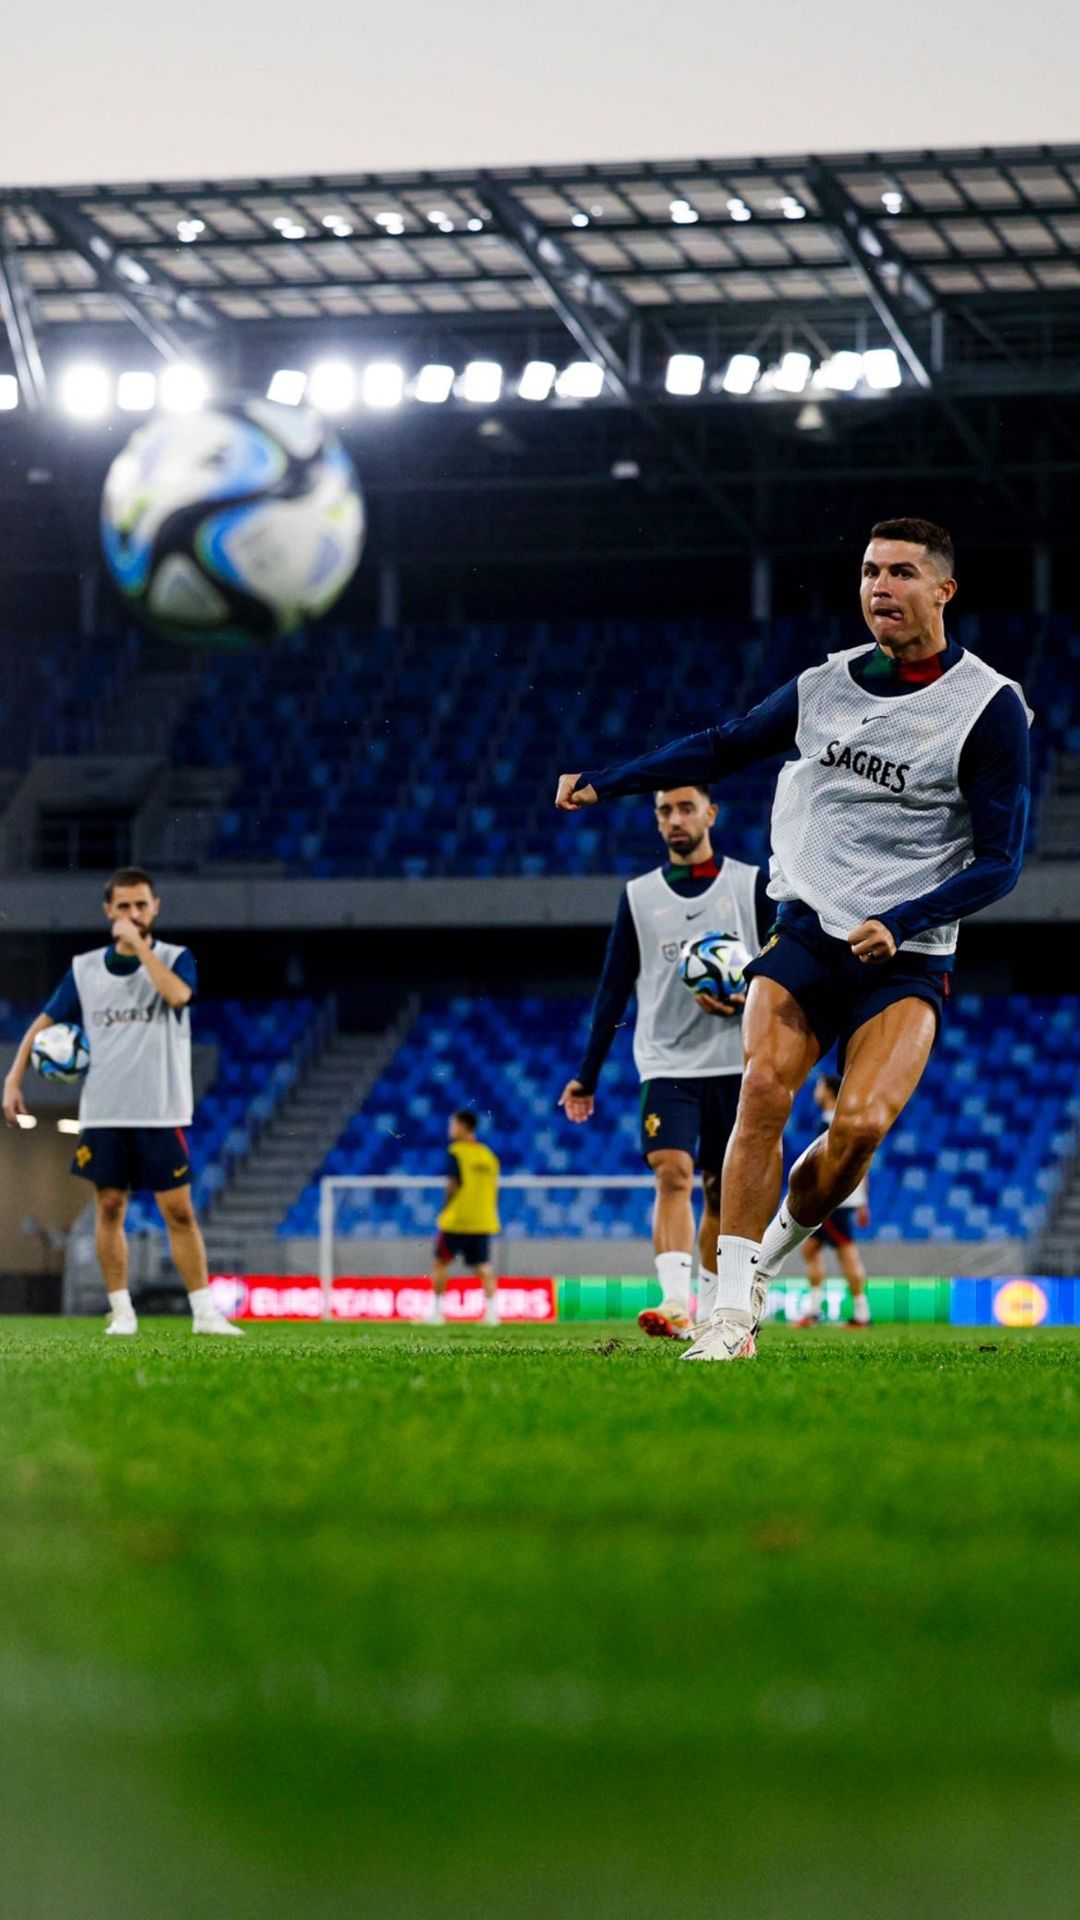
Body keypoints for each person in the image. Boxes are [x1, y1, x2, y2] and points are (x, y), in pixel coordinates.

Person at [556, 518, 1031, 1361]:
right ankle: (728, 1313)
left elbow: (1000, 864)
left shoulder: (989, 710)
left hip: (909, 955)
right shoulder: (826, 686)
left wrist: (907, 920)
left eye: (901, 573)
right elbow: (723, 745)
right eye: (869, 571)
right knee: (766, 1088)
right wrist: (607, 781)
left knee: (859, 1129)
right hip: (808, 928)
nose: (880, 587)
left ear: (944, 591)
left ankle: (764, 1265)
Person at [559, 785, 771, 1340]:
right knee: (672, 1172)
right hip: (666, 1062)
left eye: (685, 808)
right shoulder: (639, 896)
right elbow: (612, 989)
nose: (675, 819)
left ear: (710, 813)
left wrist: (747, 996)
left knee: (723, 1189)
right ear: (656, 823)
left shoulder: (751, 885)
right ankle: (675, 1302)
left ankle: (708, 1307)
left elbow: (783, 965)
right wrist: (588, 1073)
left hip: (737, 1061)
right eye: (664, 812)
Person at [2, 867, 242, 1337]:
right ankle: (122, 1311)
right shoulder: (85, 969)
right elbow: (42, 1023)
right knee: (109, 1206)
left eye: (141, 905)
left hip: (160, 1109)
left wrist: (141, 950)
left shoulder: (176, 958)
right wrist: (14, 1078)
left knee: (179, 1210)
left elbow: (177, 995)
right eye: (124, 906)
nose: (133, 913)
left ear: (156, 908)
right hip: (104, 1110)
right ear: (109, 911)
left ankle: (205, 1313)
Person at [796, 1075, 872, 1328]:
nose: (815, 1091)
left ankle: (862, 1313)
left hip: (832, 1200)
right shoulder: (845, 1122)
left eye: (819, 1086)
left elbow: (825, 1165)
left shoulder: (830, 1125)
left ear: (828, 1092)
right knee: (809, 1249)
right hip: (842, 1198)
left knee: (846, 1253)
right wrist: (862, 1200)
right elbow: (863, 1162)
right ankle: (814, 1310)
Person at [427, 1109, 501, 1327]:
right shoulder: (489, 1155)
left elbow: (453, 1184)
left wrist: (445, 1208)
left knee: (440, 1262)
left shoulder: (457, 1151)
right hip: (483, 1219)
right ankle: (492, 1314)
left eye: (452, 1125)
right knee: (483, 1266)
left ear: (462, 1126)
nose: (450, 1129)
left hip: (458, 1218)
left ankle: (437, 1313)